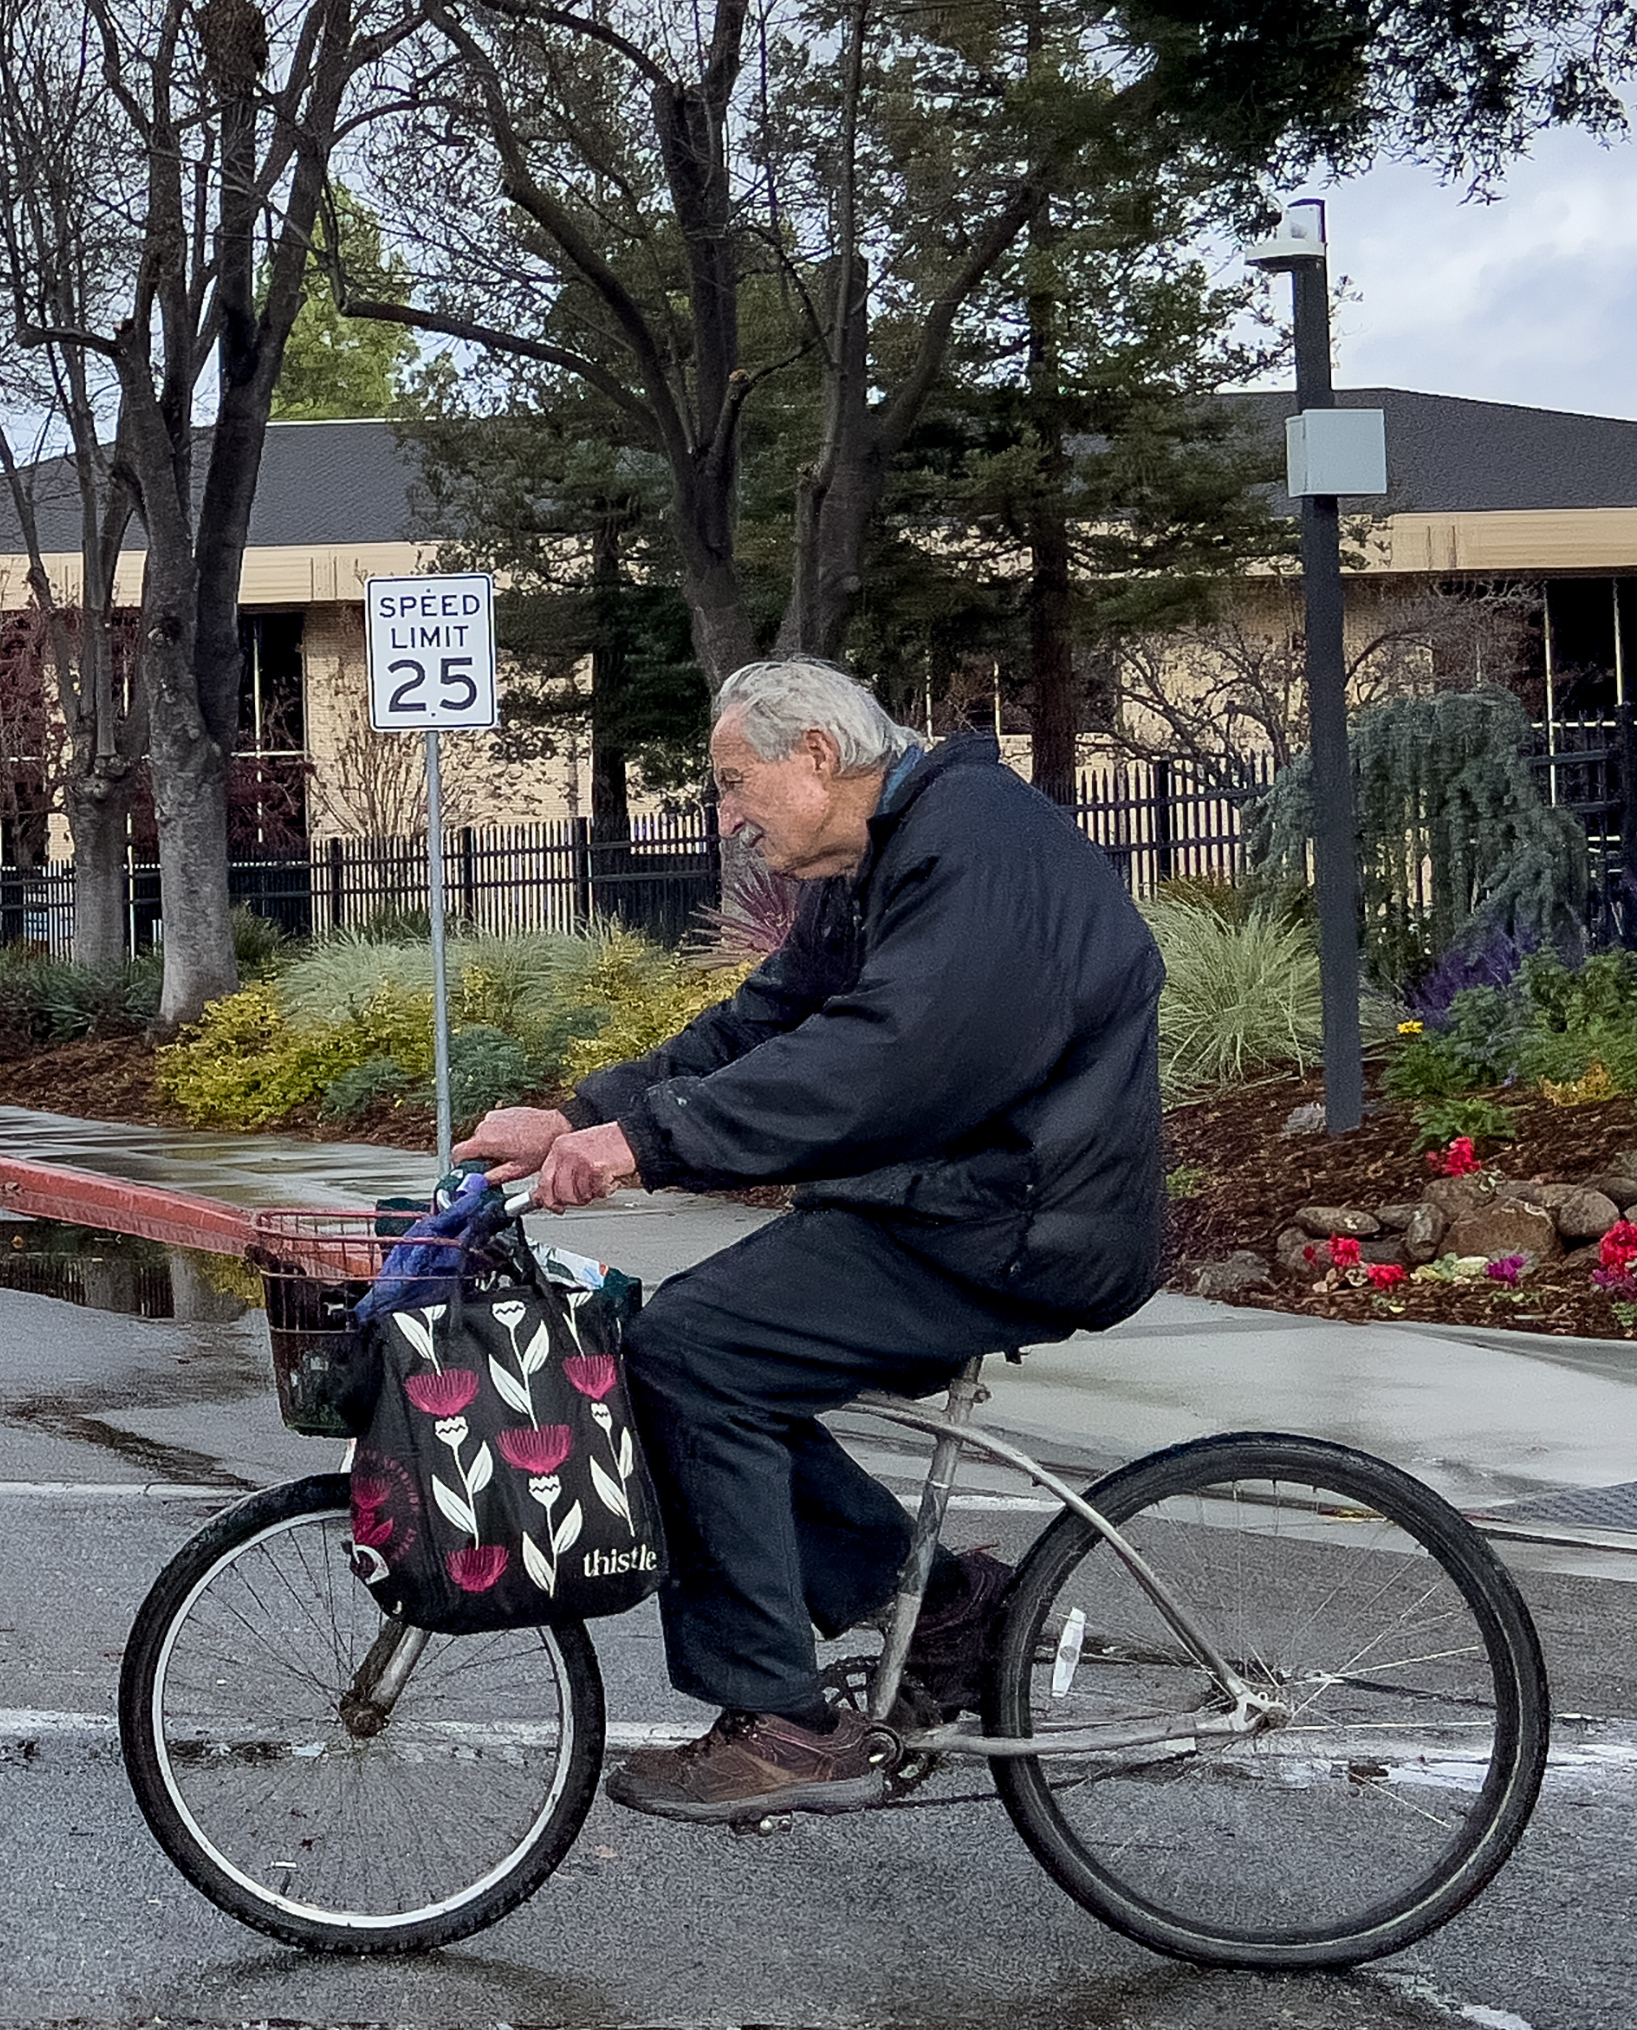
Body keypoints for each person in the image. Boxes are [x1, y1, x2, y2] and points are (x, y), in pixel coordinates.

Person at [454, 658, 1168, 1826]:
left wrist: (651, 1142)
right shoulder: (886, 848)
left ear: (817, 757)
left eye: (736, 782)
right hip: (951, 1200)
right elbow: (771, 1017)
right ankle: (938, 1604)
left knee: (692, 1352)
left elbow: (884, 1061)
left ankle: (783, 1717)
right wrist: (586, 1114)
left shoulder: (974, 846)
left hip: (1024, 1221)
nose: (725, 812)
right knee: (689, 1351)